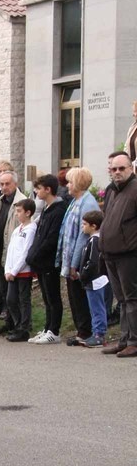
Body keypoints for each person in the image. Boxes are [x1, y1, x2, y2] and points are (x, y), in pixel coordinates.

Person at [98, 152, 137, 358]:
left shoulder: (135, 189)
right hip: (111, 253)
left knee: (132, 299)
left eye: (122, 168)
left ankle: (134, 341)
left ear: (130, 168)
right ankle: (124, 339)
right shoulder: (112, 191)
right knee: (121, 300)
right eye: (114, 169)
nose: (118, 172)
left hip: (129, 254)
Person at [58, 167, 98, 346]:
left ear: (79, 183)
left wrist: (74, 264)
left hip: (79, 259)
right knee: (74, 297)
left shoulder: (87, 203)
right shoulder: (75, 201)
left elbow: (82, 237)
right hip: (69, 258)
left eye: (70, 181)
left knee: (80, 296)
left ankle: (86, 331)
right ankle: (81, 330)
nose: (67, 185)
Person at [27, 174, 67, 344]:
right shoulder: (46, 208)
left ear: (48, 189)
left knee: (53, 296)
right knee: (46, 297)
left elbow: (51, 238)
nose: (36, 191)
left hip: (49, 261)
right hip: (40, 262)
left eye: (38, 188)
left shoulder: (58, 209)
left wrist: (36, 254)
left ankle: (54, 330)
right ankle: (47, 327)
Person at [0, 170, 25, 333]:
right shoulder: (0, 201)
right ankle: (9, 321)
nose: (4, 187)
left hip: (13, 251)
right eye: (1, 184)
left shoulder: (21, 201)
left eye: (7, 184)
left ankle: (19, 323)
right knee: (3, 289)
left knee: (15, 292)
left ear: (15, 184)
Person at [2, 197, 37, 342]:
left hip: (23, 271)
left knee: (23, 300)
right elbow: (11, 251)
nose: (17, 214)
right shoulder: (17, 229)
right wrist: (7, 269)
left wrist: (15, 270)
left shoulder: (31, 229)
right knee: (11, 299)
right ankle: (17, 325)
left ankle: (24, 328)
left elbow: (25, 252)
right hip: (12, 272)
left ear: (28, 213)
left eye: (19, 211)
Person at [77, 208, 108, 347]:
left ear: (93, 226)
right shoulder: (91, 240)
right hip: (92, 280)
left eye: (84, 224)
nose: (82, 227)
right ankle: (95, 332)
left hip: (95, 280)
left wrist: (83, 274)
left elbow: (93, 261)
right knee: (93, 307)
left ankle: (99, 334)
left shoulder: (95, 241)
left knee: (97, 307)